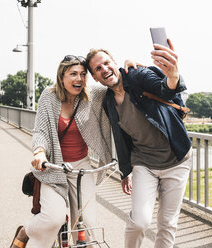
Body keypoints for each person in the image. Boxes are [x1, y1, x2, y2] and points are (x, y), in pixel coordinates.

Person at [10, 55, 139, 248]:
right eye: (73, 74)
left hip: (81, 166)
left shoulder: (92, 94)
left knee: (88, 223)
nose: (79, 79)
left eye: (82, 74)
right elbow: (41, 131)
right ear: (62, 77)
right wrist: (39, 152)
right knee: (53, 218)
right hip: (53, 167)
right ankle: (25, 232)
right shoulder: (49, 95)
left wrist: (128, 70)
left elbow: (114, 85)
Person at [85, 40, 192, 248]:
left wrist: (172, 75)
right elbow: (121, 138)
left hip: (177, 160)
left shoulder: (137, 75)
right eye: (98, 69)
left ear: (114, 62)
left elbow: (166, 89)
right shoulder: (107, 101)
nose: (104, 69)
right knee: (140, 222)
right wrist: (125, 171)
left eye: (106, 63)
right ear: (95, 78)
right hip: (145, 164)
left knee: (167, 224)